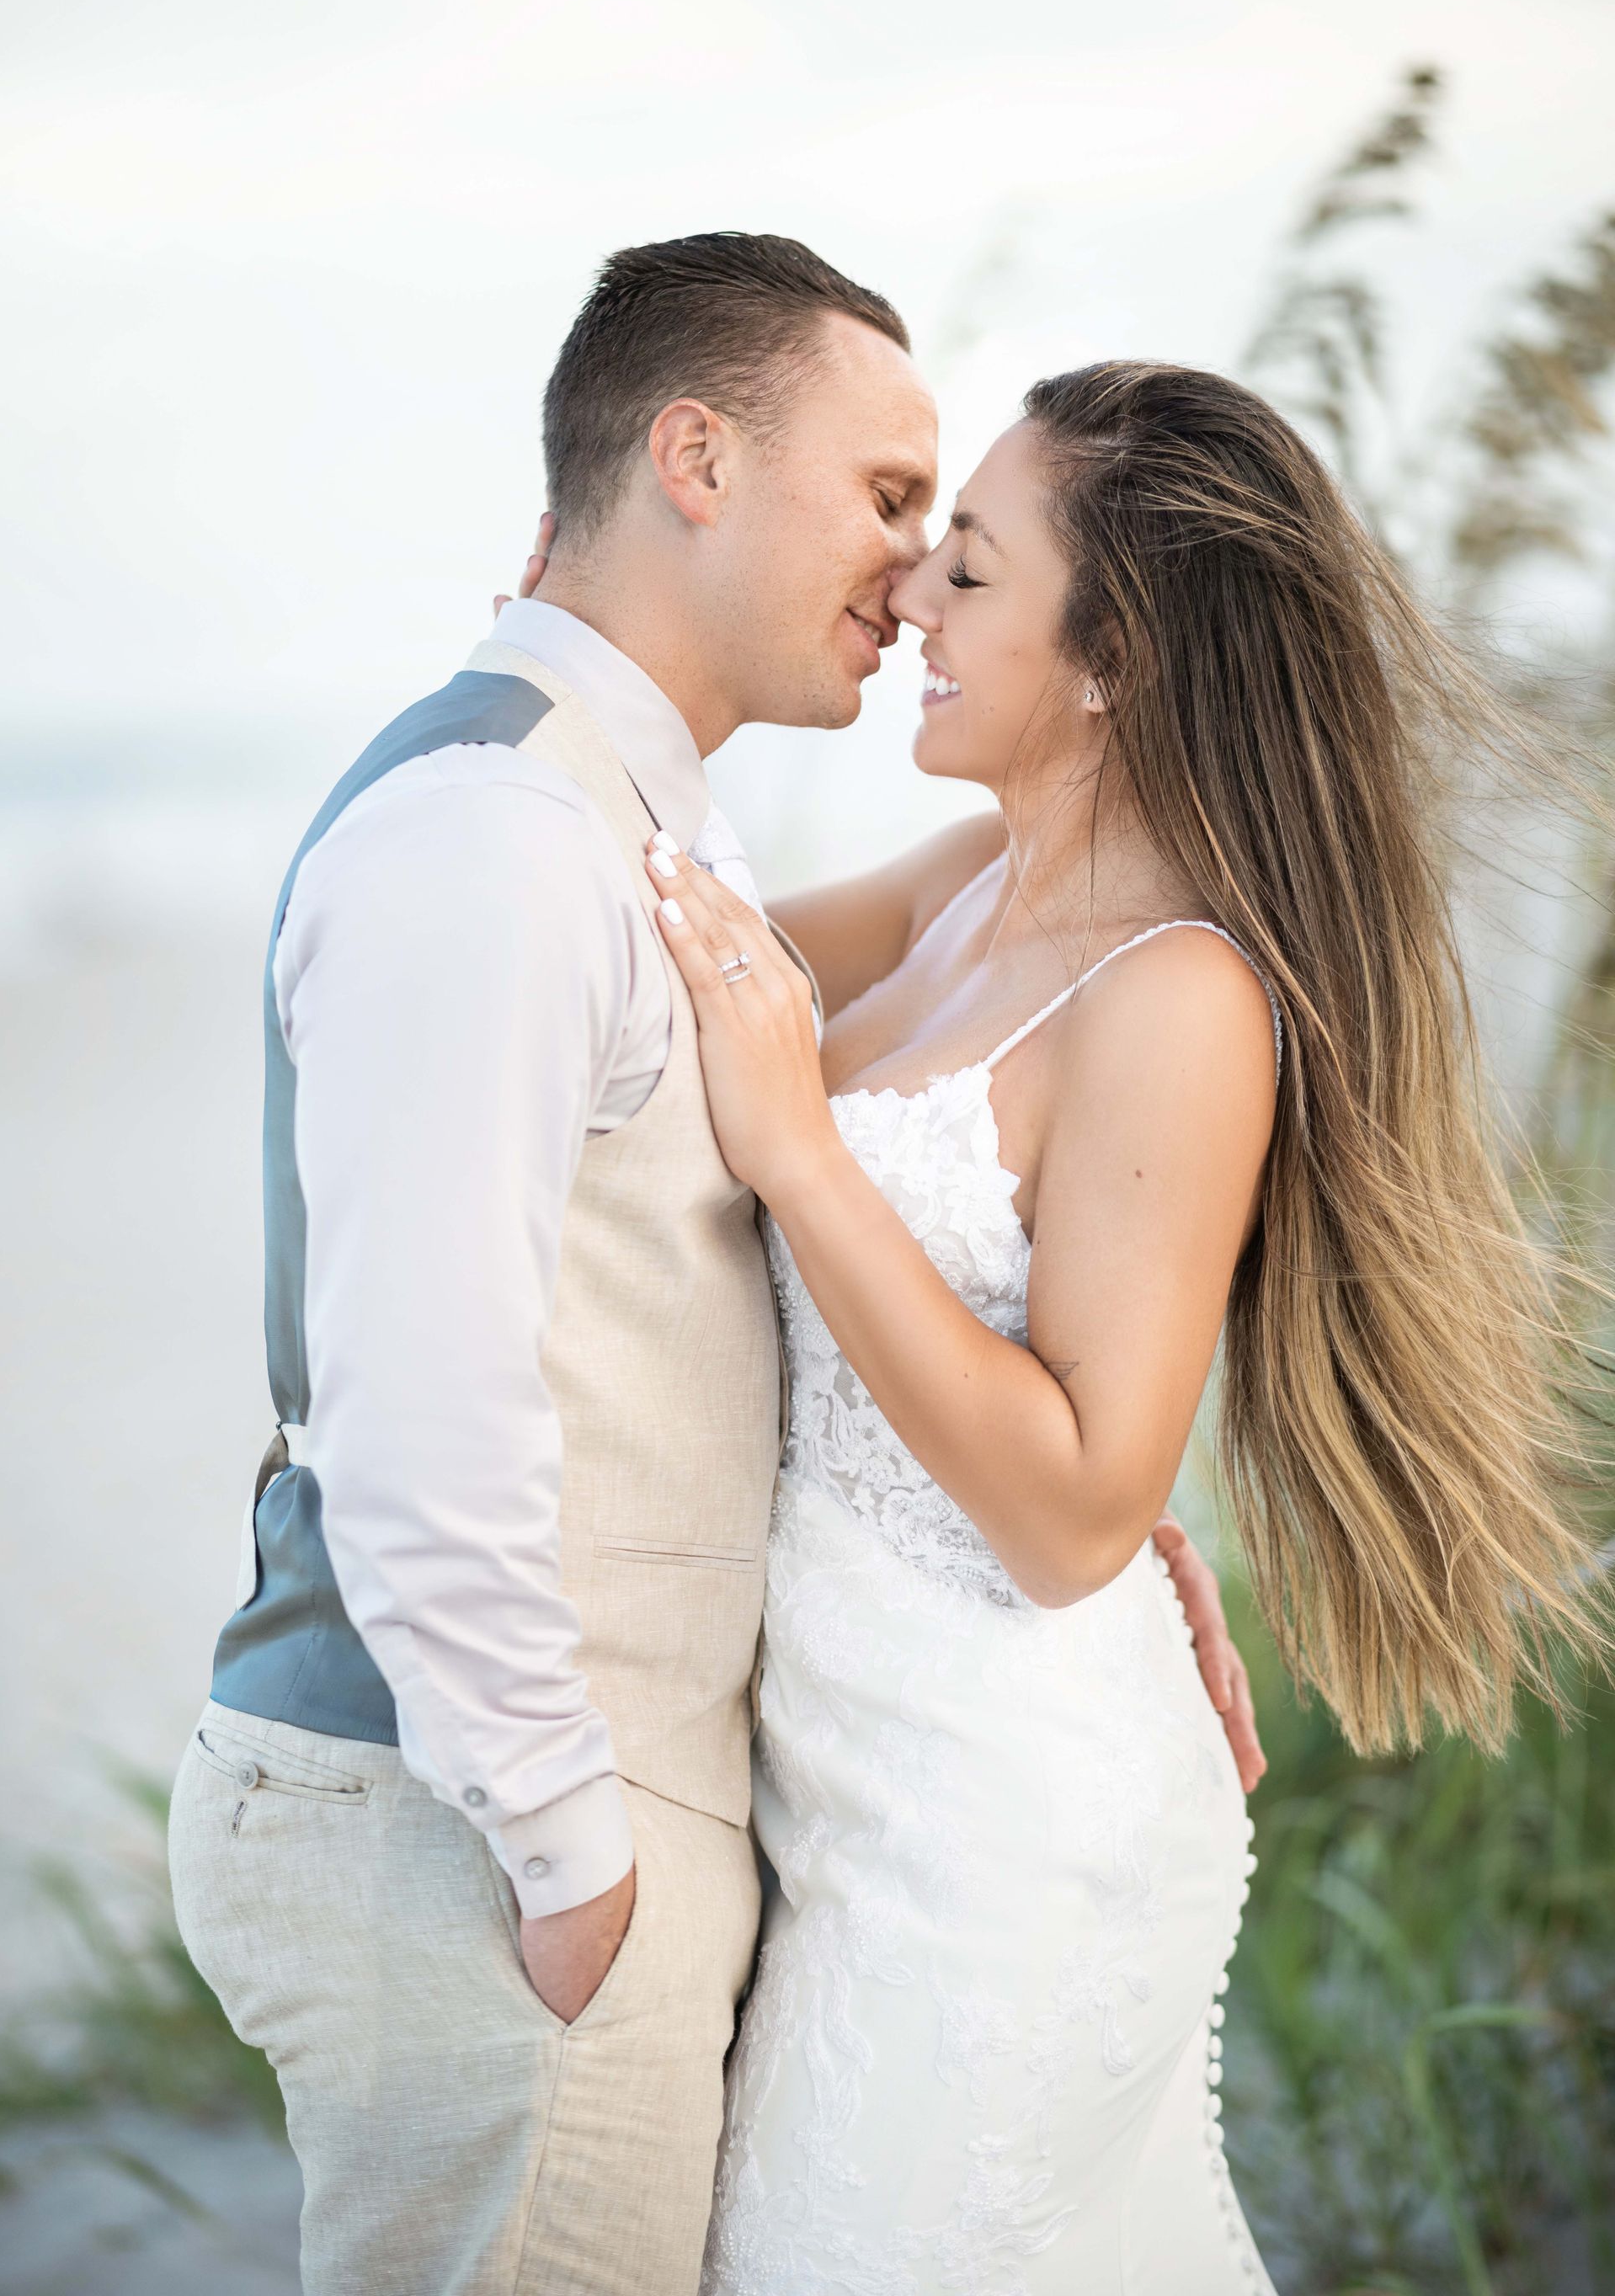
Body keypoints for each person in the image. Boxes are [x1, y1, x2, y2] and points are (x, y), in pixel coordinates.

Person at [166, 238, 1253, 2296]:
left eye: (956, 543)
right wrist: (575, 1865)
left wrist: (1109, 1498)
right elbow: (421, 1408)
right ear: (692, 457)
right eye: (887, 501)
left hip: (813, 1815)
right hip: (510, 1835)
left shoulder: (650, 825)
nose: (911, 573)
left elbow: (994, 1092)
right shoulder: (499, 836)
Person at [637, 363, 1610, 2293]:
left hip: (996, 1852)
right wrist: (574, 658)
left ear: (1117, 658)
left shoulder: (1180, 999)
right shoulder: (971, 887)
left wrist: (804, 1162)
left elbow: (1081, 1509)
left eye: (972, 573)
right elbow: (658, 944)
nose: (911, 597)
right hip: (860, 1807)